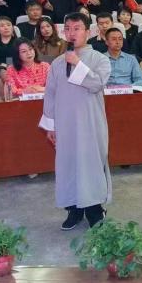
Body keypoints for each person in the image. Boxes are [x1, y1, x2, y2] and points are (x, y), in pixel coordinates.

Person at [39, 13, 113, 230]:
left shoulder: (100, 59)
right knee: (67, 164)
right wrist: (50, 126)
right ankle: (74, 209)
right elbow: (50, 94)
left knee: (90, 165)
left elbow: (96, 84)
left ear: (88, 32)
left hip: (90, 123)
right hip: (65, 124)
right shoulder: (57, 63)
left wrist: (78, 64)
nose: (72, 33)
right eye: (68, 29)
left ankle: (95, 209)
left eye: (77, 28)